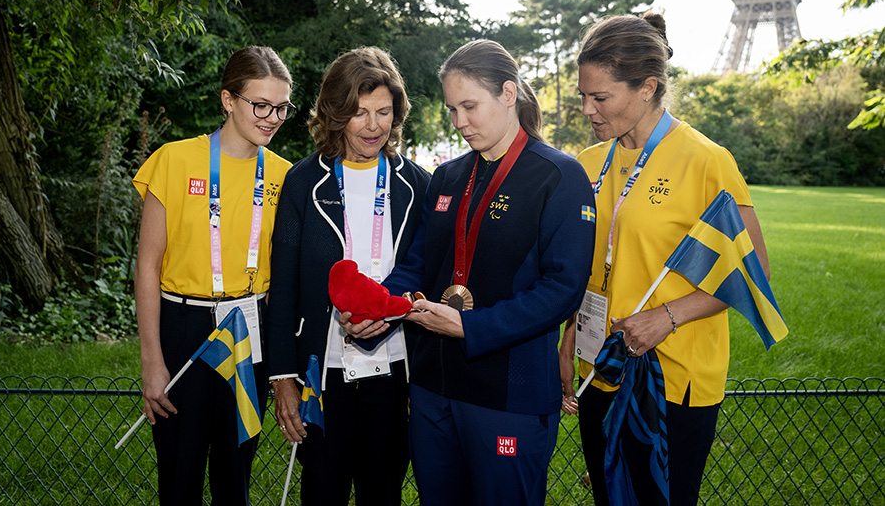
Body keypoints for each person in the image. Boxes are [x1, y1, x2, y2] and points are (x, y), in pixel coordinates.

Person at [341, 39, 596, 506]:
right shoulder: (447, 177)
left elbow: (562, 289)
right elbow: (418, 265)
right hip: (433, 389)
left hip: (508, 394)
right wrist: (378, 306)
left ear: (508, 93)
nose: (459, 122)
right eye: (452, 109)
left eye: (469, 106)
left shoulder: (559, 176)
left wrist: (469, 325)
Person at [559, 13, 772, 506]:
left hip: (674, 378)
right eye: (583, 96)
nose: (588, 109)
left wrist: (667, 316)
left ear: (648, 87)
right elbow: (589, 267)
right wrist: (572, 335)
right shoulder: (588, 163)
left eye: (601, 97)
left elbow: (750, 269)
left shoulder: (706, 160)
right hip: (600, 368)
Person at [265, 47, 431, 506]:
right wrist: (283, 380)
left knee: (383, 492)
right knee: (322, 489)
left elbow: (425, 274)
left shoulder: (417, 184)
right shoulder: (302, 183)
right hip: (324, 370)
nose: (373, 125)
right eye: (359, 113)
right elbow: (284, 290)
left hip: (395, 369)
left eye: (383, 112)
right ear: (335, 114)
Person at [133, 46, 296, 505]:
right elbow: (147, 265)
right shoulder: (174, 160)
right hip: (182, 326)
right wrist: (152, 360)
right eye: (260, 105)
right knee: (179, 476)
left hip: (248, 328)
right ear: (228, 100)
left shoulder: (285, 176)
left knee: (235, 474)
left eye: (281, 107)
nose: (271, 117)